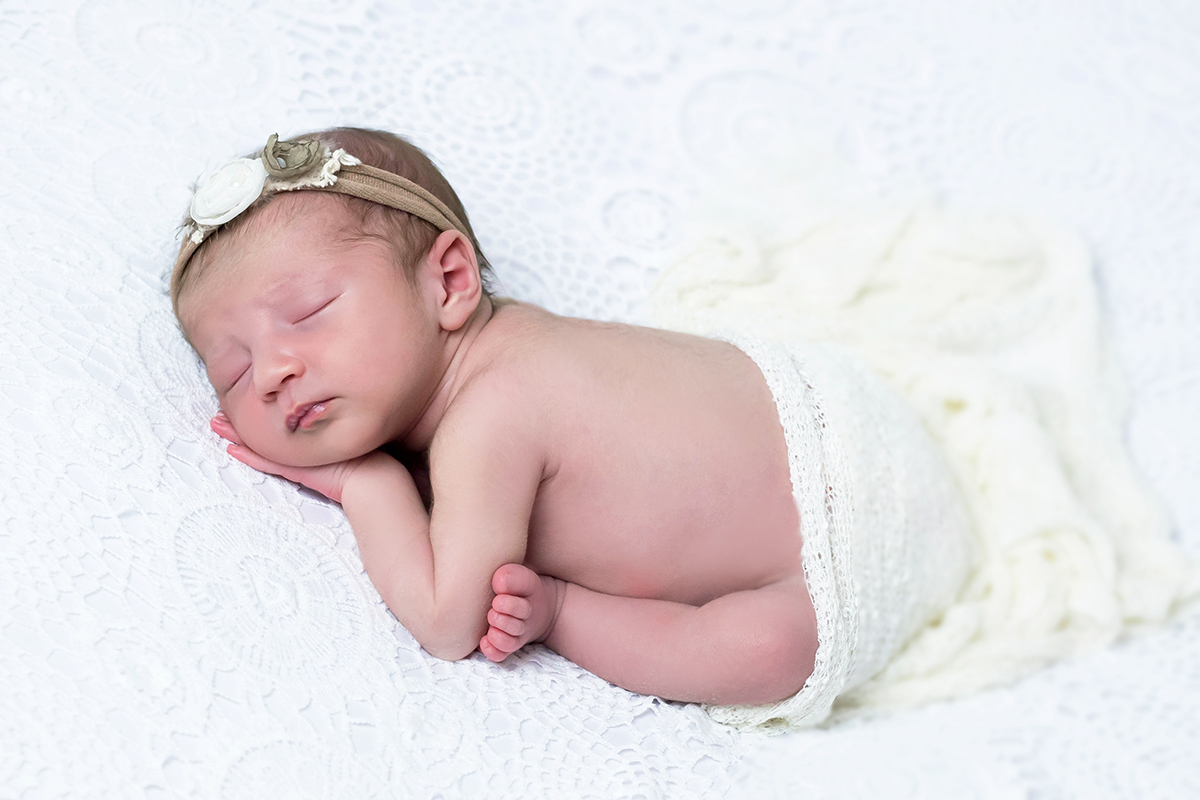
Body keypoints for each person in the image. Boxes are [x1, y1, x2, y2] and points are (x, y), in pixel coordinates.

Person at [170, 127, 975, 730]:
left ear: (448, 282)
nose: (272, 371)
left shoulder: (490, 414)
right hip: (857, 415)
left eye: (308, 314)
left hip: (848, 548)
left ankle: (566, 609)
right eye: (232, 371)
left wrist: (368, 485)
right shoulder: (522, 338)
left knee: (770, 653)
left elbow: (450, 622)